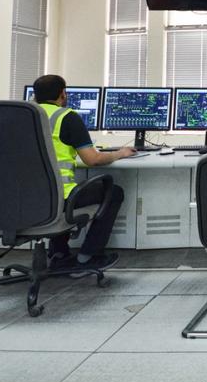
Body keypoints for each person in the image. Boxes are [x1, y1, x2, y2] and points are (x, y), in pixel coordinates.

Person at [32, 75, 136, 271]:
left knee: (59, 191)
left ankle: (59, 253)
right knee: (114, 192)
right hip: (59, 198)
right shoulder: (66, 117)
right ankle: (88, 257)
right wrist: (120, 153)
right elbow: (92, 159)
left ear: (35, 96)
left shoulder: (22, 117)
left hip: (23, 199)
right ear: (63, 94)